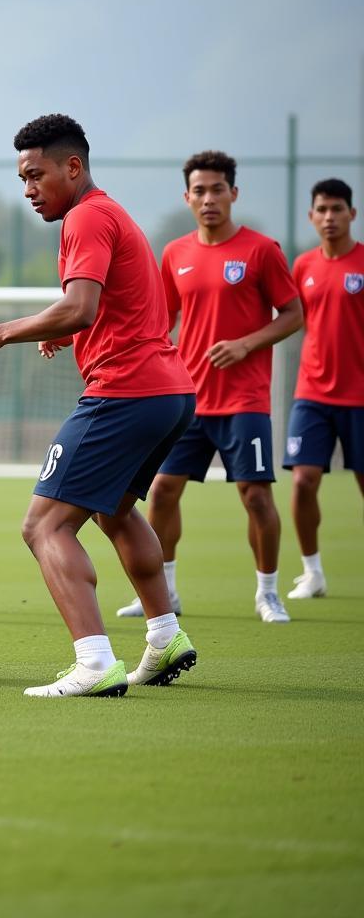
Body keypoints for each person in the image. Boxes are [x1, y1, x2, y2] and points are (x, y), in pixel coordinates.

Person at [0, 113, 197, 698]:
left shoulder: (85, 217)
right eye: (22, 179)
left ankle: (94, 662)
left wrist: (8, 330)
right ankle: (165, 635)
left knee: (43, 525)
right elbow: (111, 303)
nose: (28, 190)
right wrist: (65, 330)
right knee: (114, 510)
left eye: (35, 175)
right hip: (171, 393)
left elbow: (81, 307)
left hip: (125, 391)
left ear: (73, 166)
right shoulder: (112, 212)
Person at [115, 151, 302, 624]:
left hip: (245, 400)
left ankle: (268, 592)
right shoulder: (175, 253)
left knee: (256, 497)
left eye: (217, 189)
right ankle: (166, 593)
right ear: (187, 197)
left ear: (233, 193)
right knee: (161, 493)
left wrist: (245, 345)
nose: (209, 198)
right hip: (189, 397)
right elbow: (162, 318)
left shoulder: (262, 250)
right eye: (199, 190)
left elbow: (293, 315)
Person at [282, 178, 363, 599]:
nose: (329, 217)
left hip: (361, 397)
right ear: (311, 217)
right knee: (303, 481)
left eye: (337, 209)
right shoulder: (304, 266)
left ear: (352, 214)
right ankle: (312, 572)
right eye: (322, 210)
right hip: (312, 393)